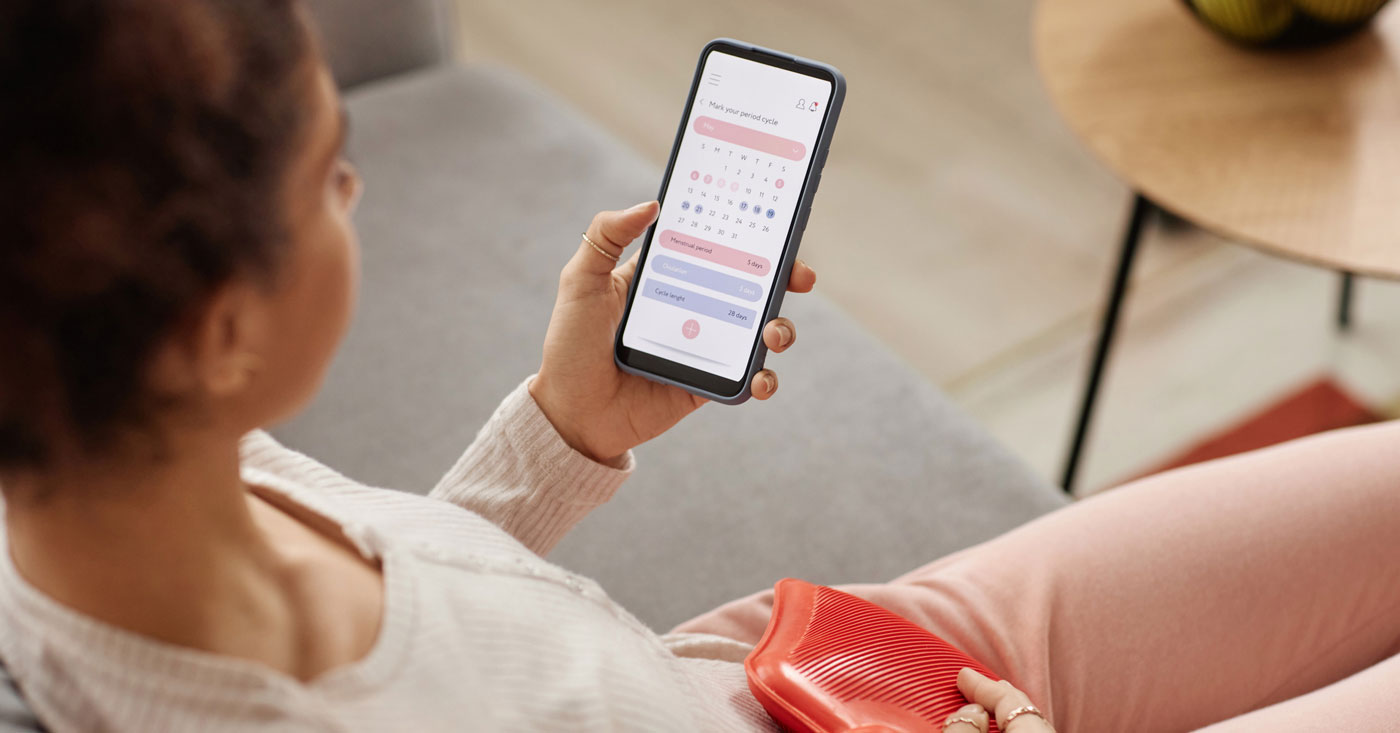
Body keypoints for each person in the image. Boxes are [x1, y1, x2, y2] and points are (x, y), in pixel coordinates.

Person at [3, 1, 1398, 731]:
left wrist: (562, 430)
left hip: (784, 673)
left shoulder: (105, 468)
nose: (360, 187)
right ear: (216, 332)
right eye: (325, 177)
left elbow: (419, 638)